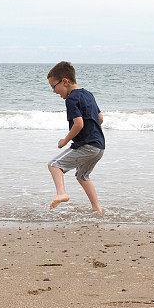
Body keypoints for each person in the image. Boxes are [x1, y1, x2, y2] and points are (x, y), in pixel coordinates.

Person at [46, 61, 105, 214]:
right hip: (99, 146)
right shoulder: (88, 94)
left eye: (54, 86)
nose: (53, 91)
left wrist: (64, 141)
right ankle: (96, 208)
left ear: (65, 81)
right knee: (82, 175)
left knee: (54, 165)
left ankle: (61, 193)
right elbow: (100, 118)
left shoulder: (71, 99)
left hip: (86, 145)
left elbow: (78, 124)